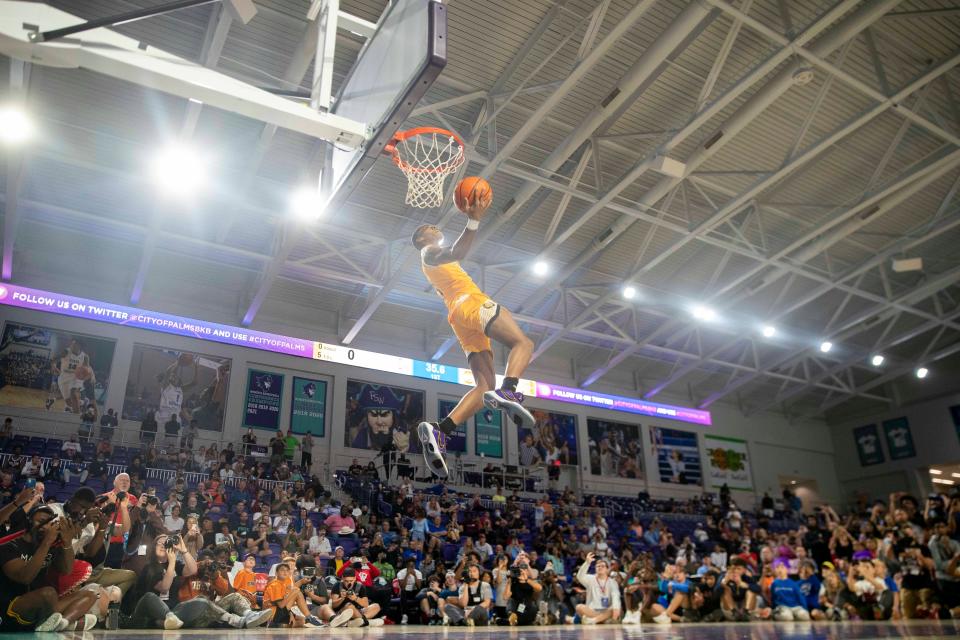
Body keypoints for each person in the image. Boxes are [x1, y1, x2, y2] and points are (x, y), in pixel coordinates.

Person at [411, 193, 535, 478]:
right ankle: (510, 390)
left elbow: (454, 257)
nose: (435, 227)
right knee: (523, 343)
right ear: (421, 238)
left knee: (483, 386)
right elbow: (457, 252)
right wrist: (473, 220)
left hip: (458, 316)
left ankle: (441, 430)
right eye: (429, 227)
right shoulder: (427, 252)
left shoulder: (434, 264)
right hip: (471, 303)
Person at [0, 505, 100, 631]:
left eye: (49, 523)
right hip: (13, 607)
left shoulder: (50, 546)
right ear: (28, 522)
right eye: (41, 522)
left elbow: (67, 570)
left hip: (45, 605)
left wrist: (67, 542)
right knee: (49, 593)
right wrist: (47, 542)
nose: (45, 526)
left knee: (90, 595)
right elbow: (25, 577)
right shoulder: (9, 547)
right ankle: (62, 622)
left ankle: (61, 623)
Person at [574, 552, 621, 624]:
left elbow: (615, 599)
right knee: (579, 607)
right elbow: (579, 576)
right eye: (598, 566)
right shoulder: (590, 579)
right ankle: (603, 620)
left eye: (602, 566)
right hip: (592, 611)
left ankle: (594, 620)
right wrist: (587, 563)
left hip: (607, 610)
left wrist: (614, 616)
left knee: (616, 607)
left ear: (607, 569)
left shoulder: (612, 582)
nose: (600, 567)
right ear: (595, 569)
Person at [503, 561, 542, 626]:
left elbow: (539, 588)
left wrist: (526, 579)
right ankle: (513, 618)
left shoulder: (530, 581)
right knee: (510, 601)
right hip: (515, 607)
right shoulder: (513, 582)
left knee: (533, 605)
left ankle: (509, 621)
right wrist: (509, 581)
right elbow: (505, 597)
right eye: (520, 570)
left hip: (527, 606)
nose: (522, 572)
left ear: (527, 572)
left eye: (524, 569)